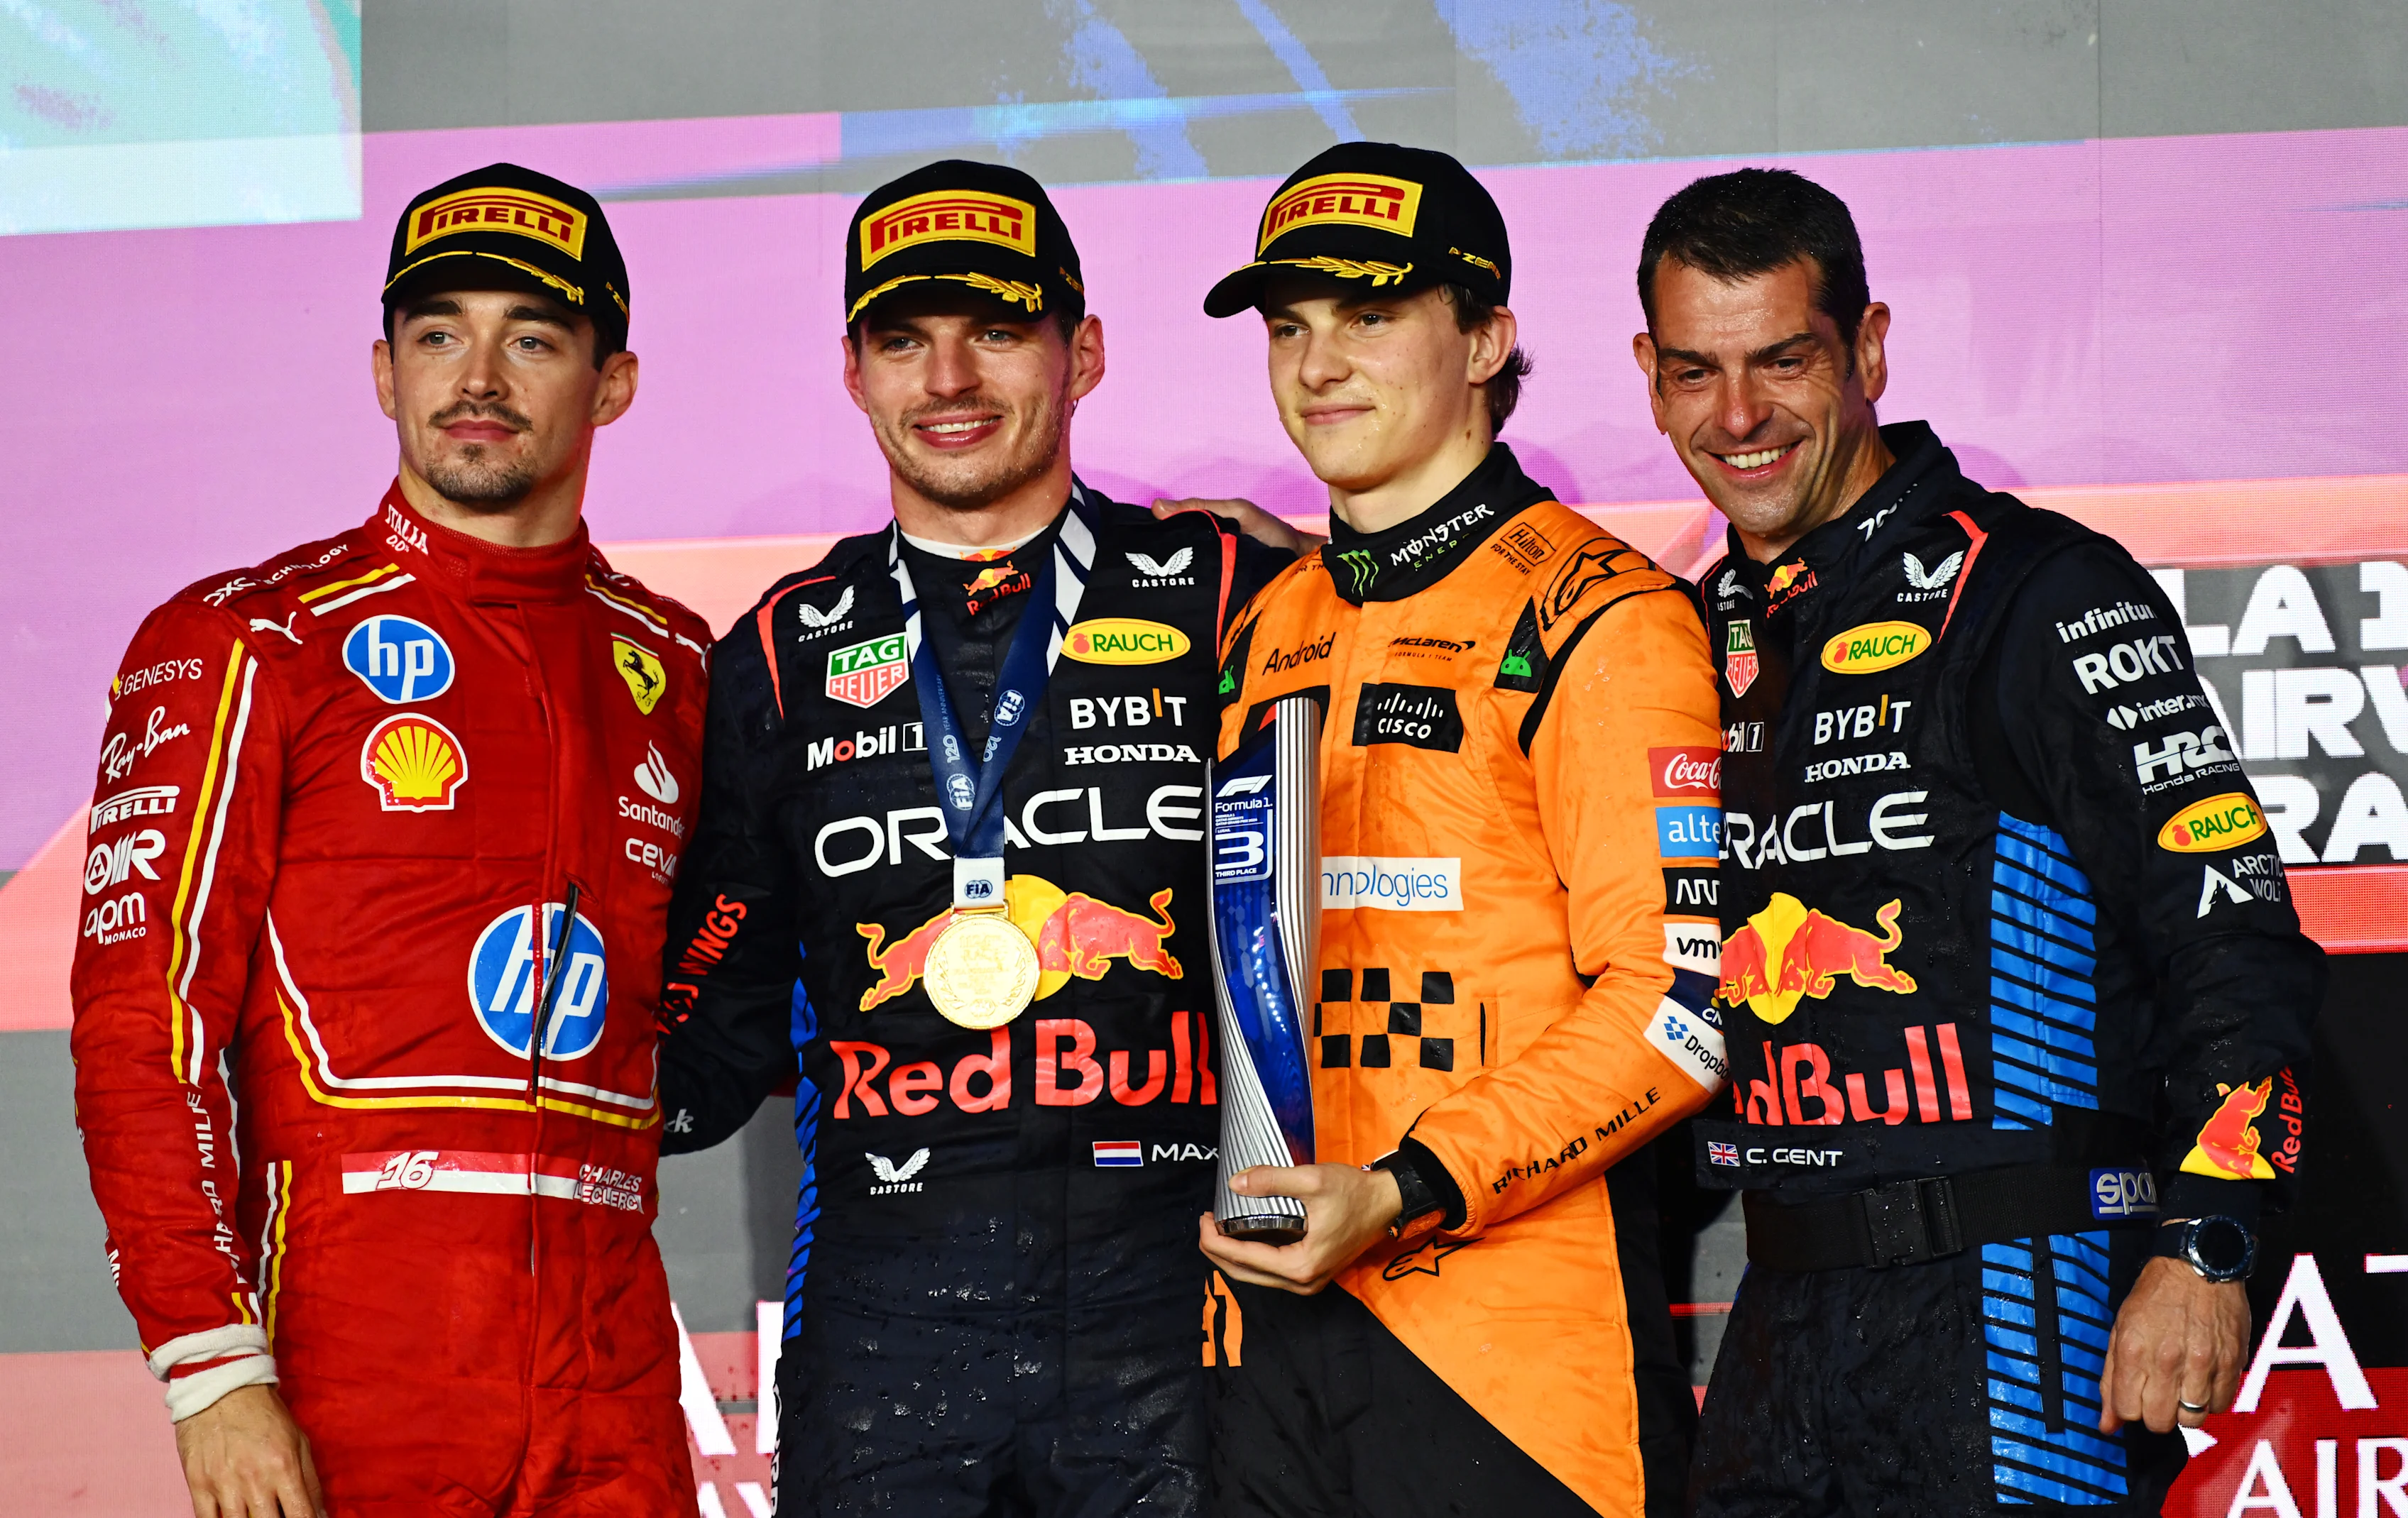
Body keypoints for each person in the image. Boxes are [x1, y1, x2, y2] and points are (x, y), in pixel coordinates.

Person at [1638, 167, 2325, 1515]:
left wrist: (2210, 1243)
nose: (1738, 417)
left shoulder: (2040, 591)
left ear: (1871, 347)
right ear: (1646, 374)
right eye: (1693, 372)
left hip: (2018, 1313)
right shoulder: (1677, 637)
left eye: (1785, 361)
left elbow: (2236, 941)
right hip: (1776, 1331)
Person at [650, 159, 1297, 1517]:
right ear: (853, 371)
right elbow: (715, 1037)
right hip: (887, 1318)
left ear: (1086, 353)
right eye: (904, 339)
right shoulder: (776, 655)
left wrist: (1329, 558)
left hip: (1184, 1299)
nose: (948, 377)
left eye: (996, 330)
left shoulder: (1233, 594)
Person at [69, 164, 710, 1517]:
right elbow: (146, 1025)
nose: (476, 375)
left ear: (613, 383)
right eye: (438, 334)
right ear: (382, 370)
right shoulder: (251, 639)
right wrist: (212, 1367)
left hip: (616, 1390)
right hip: (350, 1369)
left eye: (531, 337)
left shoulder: (682, 666)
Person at [1197, 141, 1729, 1518]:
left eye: (1370, 316)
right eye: (1290, 324)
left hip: (1512, 1359)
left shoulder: (1605, 615)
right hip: (1266, 1335)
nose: (1318, 364)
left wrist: (1405, 1186)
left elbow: (1677, 1006)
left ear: (1488, 337)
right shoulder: (1267, 624)